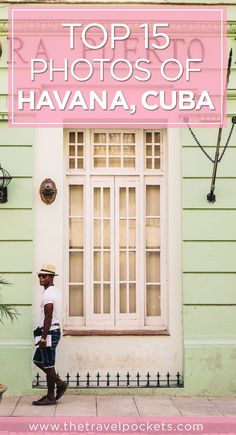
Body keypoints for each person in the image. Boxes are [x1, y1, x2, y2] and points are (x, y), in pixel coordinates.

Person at [32, 264, 67, 406]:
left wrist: (43, 337)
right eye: (40, 276)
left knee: (48, 365)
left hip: (50, 331)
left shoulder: (49, 294)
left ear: (52, 277)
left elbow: (48, 317)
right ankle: (60, 383)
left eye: (44, 276)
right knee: (39, 361)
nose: (41, 278)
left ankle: (50, 397)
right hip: (50, 330)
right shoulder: (53, 291)